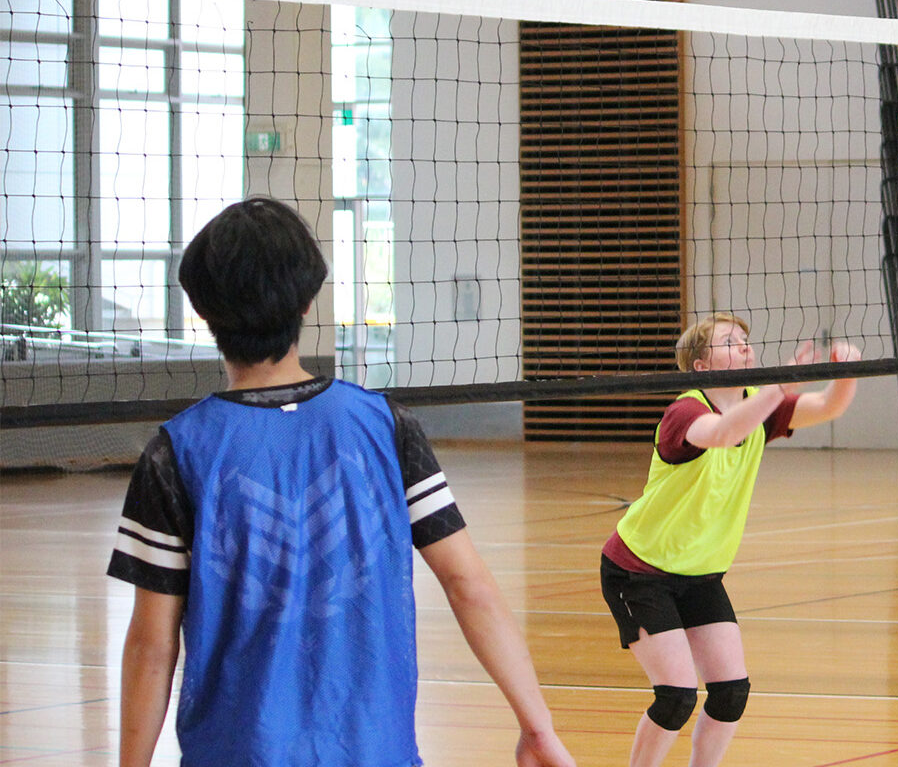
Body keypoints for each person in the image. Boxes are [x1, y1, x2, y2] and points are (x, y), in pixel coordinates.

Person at [108, 198, 574, 767]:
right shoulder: (387, 427)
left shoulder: (174, 453)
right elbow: (467, 584)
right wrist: (538, 727)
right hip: (376, 751)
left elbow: (152, 645)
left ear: (202, 310)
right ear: (308, 301)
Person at [600, 314, 859, 767]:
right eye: (730, 341)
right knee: (677, 696)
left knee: (731, 693)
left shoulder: (759, 404)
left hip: (701, 574)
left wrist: (846, 374)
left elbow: (828, 407)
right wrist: (782, 384)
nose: (744, 347)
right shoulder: (686, 410)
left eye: (745, 340)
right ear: (702, 366)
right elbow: (723, 433)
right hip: (639, 572)